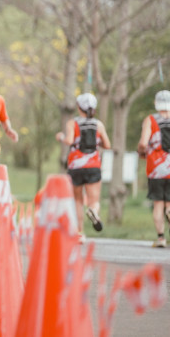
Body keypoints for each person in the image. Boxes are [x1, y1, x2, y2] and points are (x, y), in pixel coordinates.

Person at [56, 93, 111, 243]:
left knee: (78, 200)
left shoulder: (72, 123)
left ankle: (79, 233)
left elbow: (69, 140)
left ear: (78, 107)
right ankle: (93, 211)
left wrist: (61, 137)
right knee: (94, 199)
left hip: (76, 166)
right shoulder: (98, 124)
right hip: (93, 165)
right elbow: (107, 145)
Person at [137, 90, 170, 248]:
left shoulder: (150, 120)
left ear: (156, 103)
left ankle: (161, 238)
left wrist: (141, 152)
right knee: (169, 203)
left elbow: (143, 143)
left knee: (158, 203)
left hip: (156, 167)